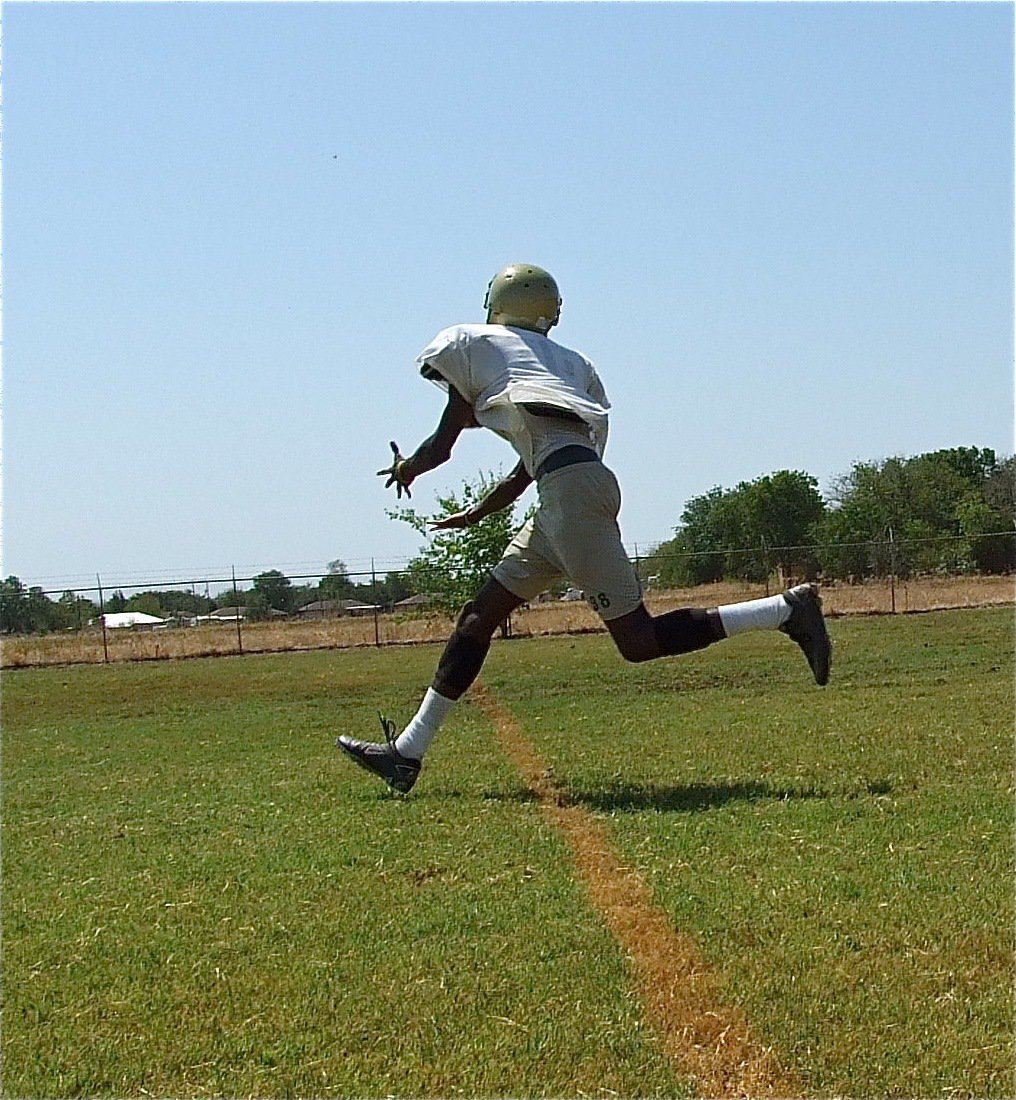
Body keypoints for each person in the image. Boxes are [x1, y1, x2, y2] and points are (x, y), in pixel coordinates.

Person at [337, 263, 831, 794]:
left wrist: (408, 467)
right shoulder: (569, 364)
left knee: (638, 641)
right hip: (567, 491)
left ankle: (786, 610)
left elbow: (445, 441)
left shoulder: (475, 342)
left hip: (568, 496)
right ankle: (406, 753)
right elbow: (538, 463)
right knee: (480, 616)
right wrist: (479, 513)